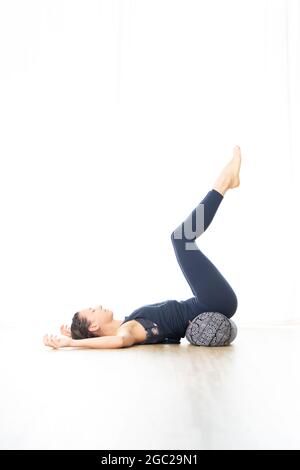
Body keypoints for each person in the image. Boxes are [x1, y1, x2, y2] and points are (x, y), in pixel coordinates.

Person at [43, 146, 242, 350]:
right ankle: (224, 183)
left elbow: (107, 334)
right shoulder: (128, 330)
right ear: (94, 325)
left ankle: (225, 182)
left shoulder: (128, 320)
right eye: (93, 311)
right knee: (180, 238)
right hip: (213, 302)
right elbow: (119, 341)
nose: (98, 306)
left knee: (180, 238)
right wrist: (73, 342)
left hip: (206, 301)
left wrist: (77, 335)